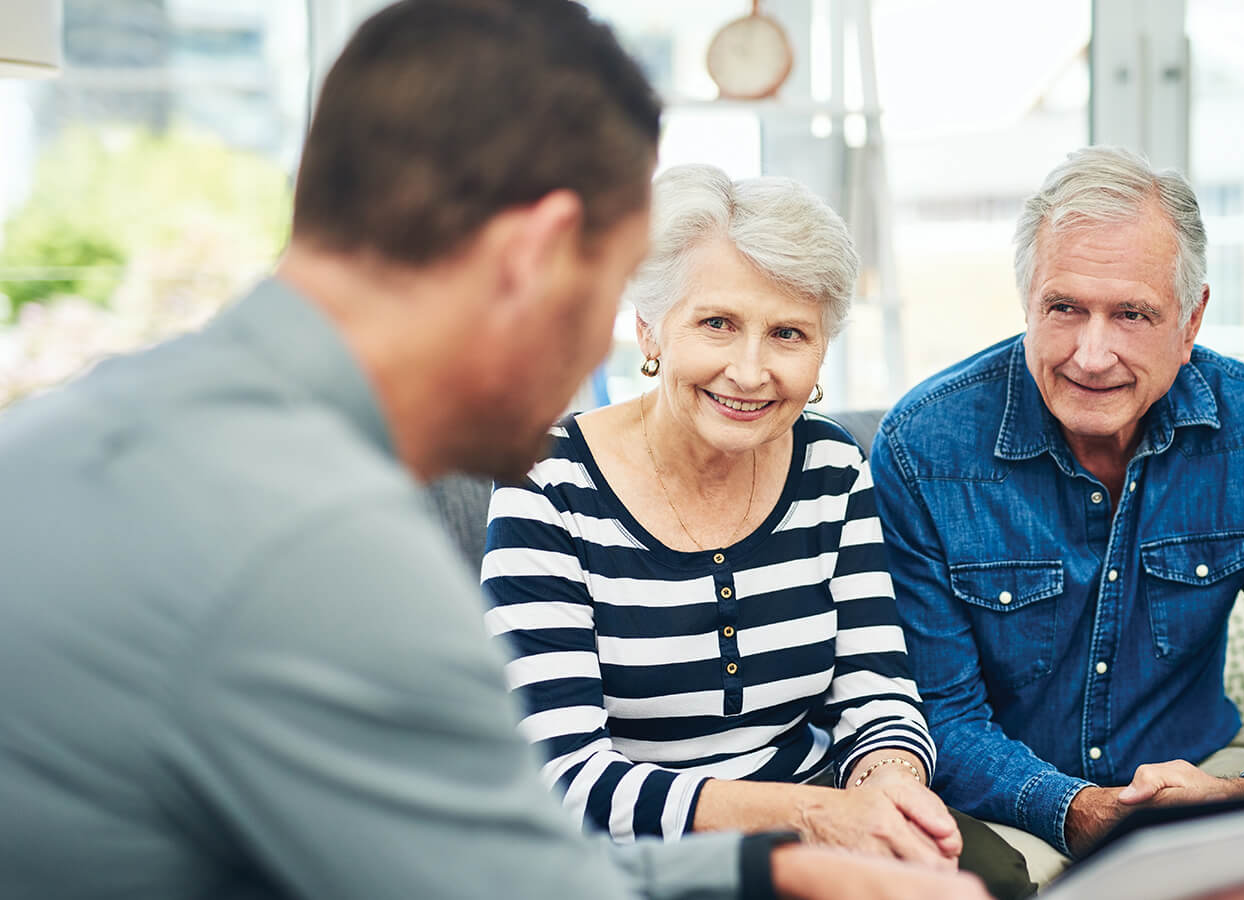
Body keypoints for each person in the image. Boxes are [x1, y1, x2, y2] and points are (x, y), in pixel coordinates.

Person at [0, 2, 988, 898]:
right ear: (536, 256)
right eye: (610, 289)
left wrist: (780, 865)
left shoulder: (78, 432)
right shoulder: (326, 546)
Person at [869, 146, 1244, 898]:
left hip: (1203, 778)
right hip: (1016, 807)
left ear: (1190, 321)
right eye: (1065, 309)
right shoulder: (924, 446)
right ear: (1027, 301)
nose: (1092, 353)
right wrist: (1075, 807)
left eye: (1131, 315)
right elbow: (938, 718)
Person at [480, 163, 1035, 900]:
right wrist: (810, 817)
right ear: (650, 327)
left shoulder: (829, 462)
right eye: (717, 324)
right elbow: (562, 775)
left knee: (993, 879)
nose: (749, 371)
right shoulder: (546, 481)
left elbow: (878, 692)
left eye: (787, 333)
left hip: (830, 813)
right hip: (645, 856)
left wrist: (886, 788)